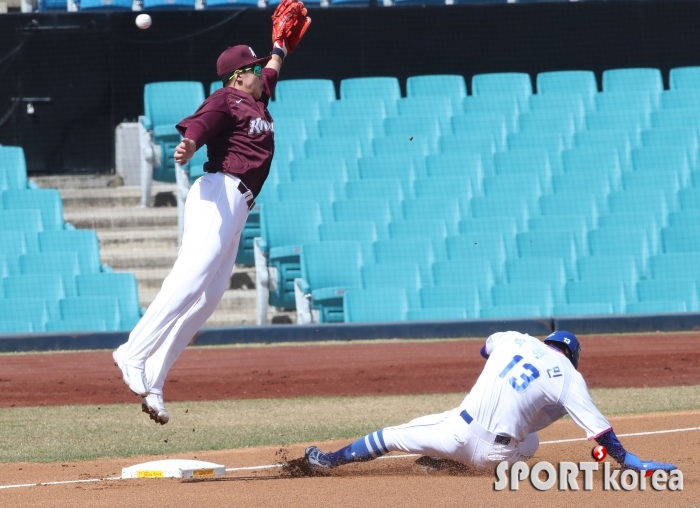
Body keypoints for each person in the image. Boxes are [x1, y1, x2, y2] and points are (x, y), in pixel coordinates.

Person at [112, 2, 309, 424]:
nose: (261, 74)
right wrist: (188, 146)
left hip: (237, 206)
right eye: (254, 69)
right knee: (189, 280)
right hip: (218, 192)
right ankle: (132, 352)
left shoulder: (258, 96)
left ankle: (154, 382)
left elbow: (274, 67)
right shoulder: (226, 98)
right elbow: (200, 126)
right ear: (239, 77)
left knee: (205, 300)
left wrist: (279, 48)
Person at [305, 330, 677, 473]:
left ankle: (329, 461)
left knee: (389, 436)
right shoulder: (569, 377)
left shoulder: (515, 338)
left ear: (548, 342)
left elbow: (485, 348)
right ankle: (445, 465)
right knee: (532, 440)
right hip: (494, 458)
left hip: (455, 430)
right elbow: (601, 431)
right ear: (571, 355)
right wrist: (629, 460)